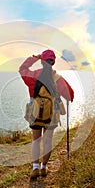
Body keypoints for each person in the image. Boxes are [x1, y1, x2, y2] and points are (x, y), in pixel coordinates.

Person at [19, 49, 74, 179]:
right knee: (48, 141)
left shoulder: (32, 76)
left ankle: (35, 168)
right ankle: (44, 168)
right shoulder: (58, 79)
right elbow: (70, 96)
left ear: (42, 62)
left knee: (36, 141)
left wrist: (34, 58)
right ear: (53, 62)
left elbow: (22, 69)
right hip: (52, 115)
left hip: (35, 113)